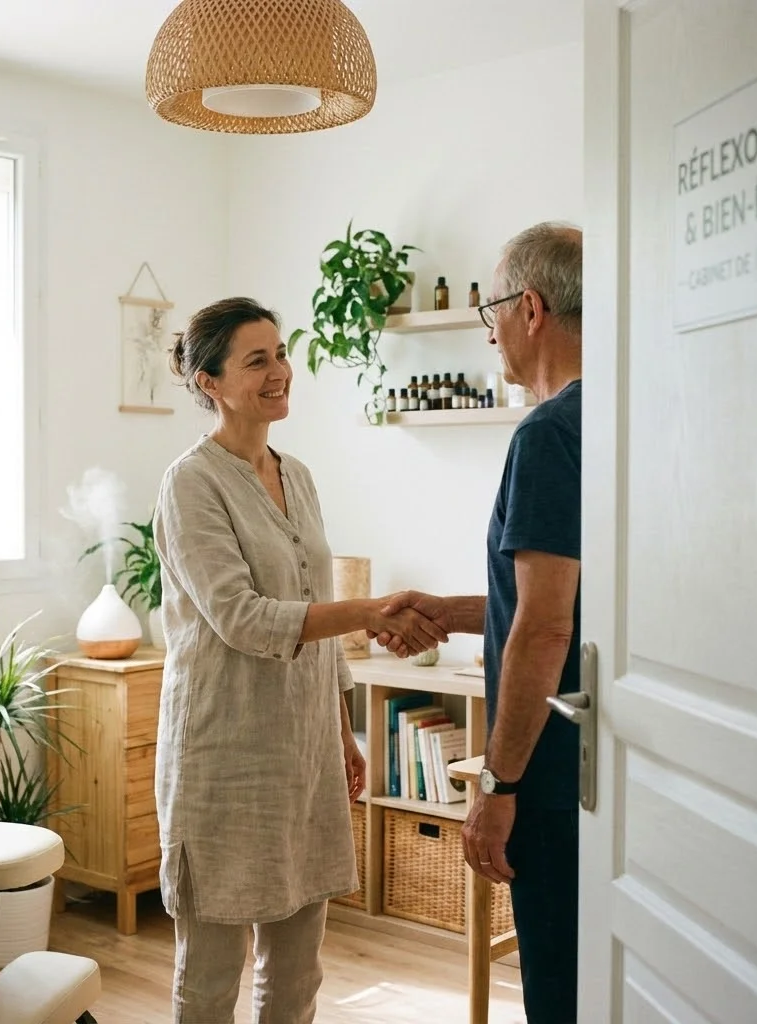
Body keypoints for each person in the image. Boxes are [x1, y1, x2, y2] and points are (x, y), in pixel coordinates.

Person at [153, 296, 449, 1024]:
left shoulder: (300, 475)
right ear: (210, 382)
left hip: (302, 750)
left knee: (297, 967)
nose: (281, 371)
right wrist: (369, 611)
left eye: (281, 354)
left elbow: (309, 599)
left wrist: (340, 728)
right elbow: (243, 618)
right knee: (214, 972)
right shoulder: (191, 484)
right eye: (258, 360)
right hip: (224, 756)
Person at [377, 223, 583, 1023]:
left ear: (529, 308)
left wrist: (497, 786)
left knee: (558, 987)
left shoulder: (548, 432)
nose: (487, 327)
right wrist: (459, 611)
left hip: (553, 771)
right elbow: (572, 597)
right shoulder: (626, 412)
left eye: (491, 308)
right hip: (605, 762)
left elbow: (545, 628)